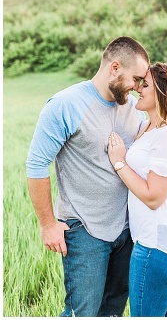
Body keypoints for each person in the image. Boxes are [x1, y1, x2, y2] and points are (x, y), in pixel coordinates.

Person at [26, 36, 149, 316]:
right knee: (82, 312)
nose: (139, 87)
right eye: (137, 78)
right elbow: (35, 164)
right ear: (115, 68)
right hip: (85, 231)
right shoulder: (65, 105)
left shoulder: (133, 108)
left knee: (113, 310)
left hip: (129, 230)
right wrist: (47, 224)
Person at [107, 62, 167, 317]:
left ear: (162, 93)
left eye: (145, 85)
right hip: (158, 237)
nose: (138, 88)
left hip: (159, 243)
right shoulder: (149, 127)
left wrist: (119, 162)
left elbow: (153, 197)